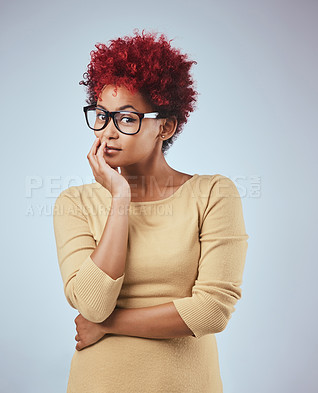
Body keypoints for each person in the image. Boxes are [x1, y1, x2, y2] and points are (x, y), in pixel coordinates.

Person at [53, 29, 249, 393]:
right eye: (101, 115)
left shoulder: (212, 194)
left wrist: (109, 326)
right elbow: (93, 306)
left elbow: (211, 311)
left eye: (126, 119)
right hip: (98, 382)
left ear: (166, 126)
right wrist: (120, 200)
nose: (107, 132)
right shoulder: (75, 203)